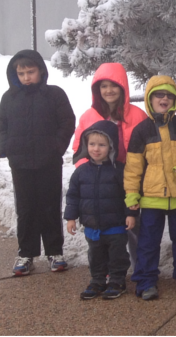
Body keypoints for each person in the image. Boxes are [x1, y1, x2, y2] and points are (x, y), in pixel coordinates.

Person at [0, 49, 75, 276]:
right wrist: (6, 147)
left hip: (48, 161)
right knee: (26, 208)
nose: (26, 77)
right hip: (20, 162)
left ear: (41, 70)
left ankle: (54, 252)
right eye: (21, 73)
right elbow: (1, 124)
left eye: (30, 72)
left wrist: (56, 147)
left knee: (49, 206)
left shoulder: (54, 95)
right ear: (15, 74)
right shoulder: (9, 98)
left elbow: (67, 121)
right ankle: (26, 253)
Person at [124, 75, 176, 300]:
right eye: (159, 94)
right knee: (148, 243)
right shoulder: (141, 131)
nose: (164, 98)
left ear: (175, 99)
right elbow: (132, 169)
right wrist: (131, 196)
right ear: (150, 98)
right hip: (151, 198)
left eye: (169, 95)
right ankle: (146, 280)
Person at [71, 62, 147, 273]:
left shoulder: (137, 115)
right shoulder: (89, 116)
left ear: (123, 87)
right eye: (103, 86)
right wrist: (89, 174)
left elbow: (148, 147)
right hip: (101, 181)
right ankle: (103, 273)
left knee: (134, 225)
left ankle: (140, 270)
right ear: (97, 90)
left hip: (130, 179)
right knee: (105, 231)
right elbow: (79, 148)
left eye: (114, 85)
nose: (109, 91)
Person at [65, 121, 138, 299]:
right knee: (96, 256)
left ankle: (117, 280)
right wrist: (71, 218)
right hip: (92, 226)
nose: (96, 149)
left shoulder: (118, 171)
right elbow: (73, 196)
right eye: (92, 144)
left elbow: (129, 193)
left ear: (111, 146)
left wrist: (131, 214)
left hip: (116, 226)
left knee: (117, 256)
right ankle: (97, 280)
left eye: (101, 145)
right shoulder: (81, 172)